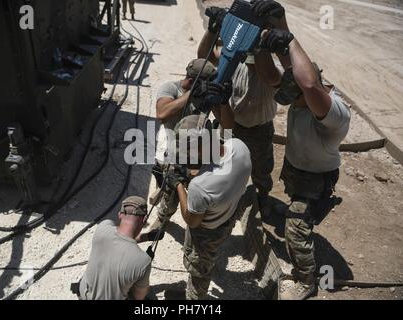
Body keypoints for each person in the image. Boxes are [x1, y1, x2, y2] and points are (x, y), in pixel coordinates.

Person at [260, 25, 351, 299]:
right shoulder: (301, 97)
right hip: (298, 170)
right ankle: (296, 210)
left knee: (296, 230)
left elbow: (309, 84)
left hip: (317, 179)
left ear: (310, 97)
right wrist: (267, 45)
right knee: (293, 207)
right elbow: (291, 75)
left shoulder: (334, 115)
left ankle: (306, 280)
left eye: (297, 100)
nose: (293, 105)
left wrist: (290, 38)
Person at [197, 3, 284, 218]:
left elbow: (269, 76)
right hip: (231, 127)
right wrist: (213, 28)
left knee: (261, 171)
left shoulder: (272, 70)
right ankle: (229, 200)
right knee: (226, 167)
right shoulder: (235, 61)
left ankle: (262, 200)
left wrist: (260, 41)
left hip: (259, 130)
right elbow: (203, 55)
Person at [166, 114, 252, 300]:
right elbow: (218, 173)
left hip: (207, 232)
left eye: (185, 152)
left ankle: (194, 299)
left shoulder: (199, 187)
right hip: (227, 216)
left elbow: (192, 220)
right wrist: (195, 172)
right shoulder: (239, 147)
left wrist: (179, 185)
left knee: (200, 269)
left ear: (198, 150)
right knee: (209, 259)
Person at [150, 59, 234, 231]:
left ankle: (196, 223)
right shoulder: (170, 88)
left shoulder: (207, 95)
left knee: (200, 192)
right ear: (191, 79)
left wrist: (223, 101)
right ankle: (162, 217)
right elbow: (162, 113)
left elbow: (228, 126)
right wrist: (191, 95)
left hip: (197, 152)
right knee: (171, 194)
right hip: (172, 151)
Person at [76, 196, 163, 300]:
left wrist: (146, 237)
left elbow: (120, 239)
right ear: (144, 219)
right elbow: (139, 297)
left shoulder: (103, 227)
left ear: (120, 214)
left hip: (83, 294)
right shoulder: (143, 261)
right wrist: (145, 260)